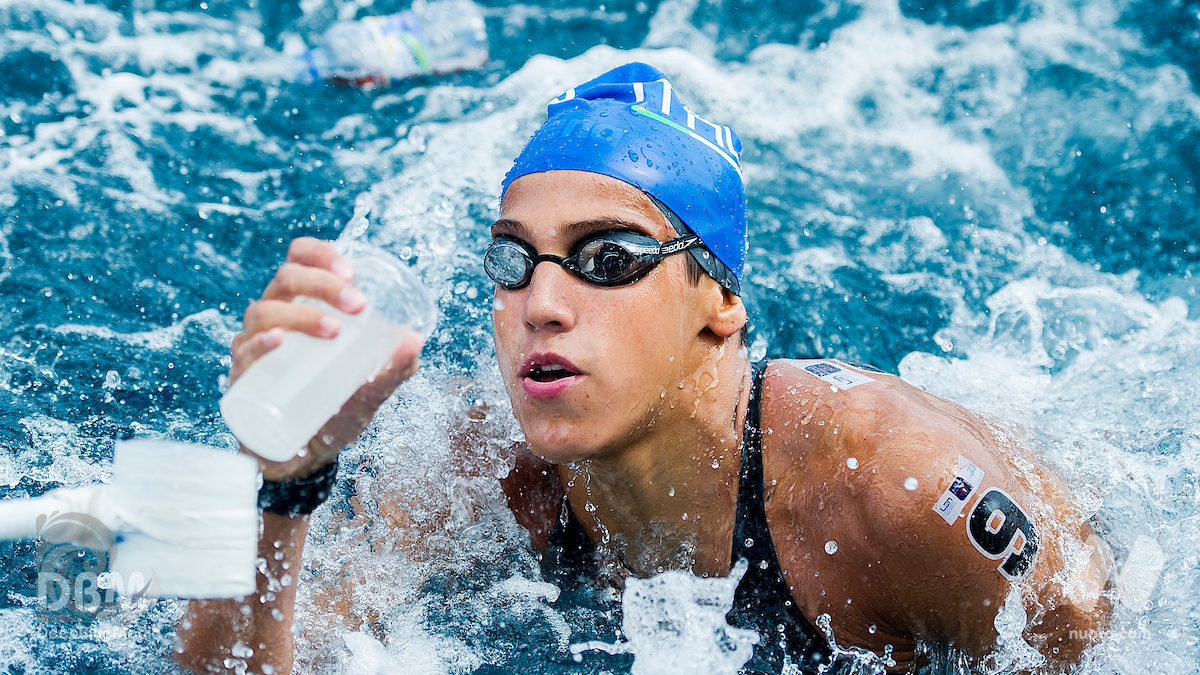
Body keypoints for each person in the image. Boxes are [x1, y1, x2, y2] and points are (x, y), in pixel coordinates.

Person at [177, 62, 1111, 673]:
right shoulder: (479, 471)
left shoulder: (894, 492)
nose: (540, 302)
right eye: (513, 260)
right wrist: (284, 484)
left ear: (721, 303)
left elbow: (1093, 628)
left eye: (609, 258)